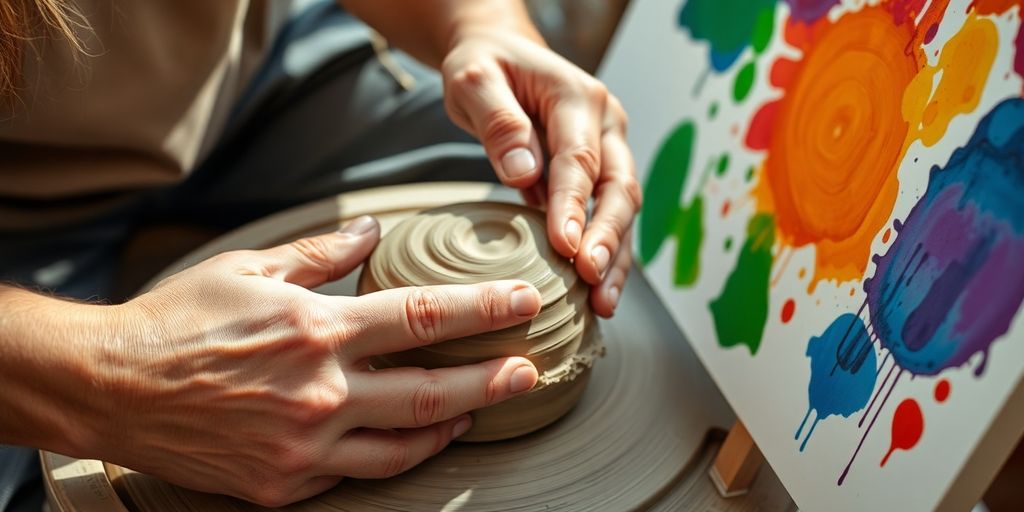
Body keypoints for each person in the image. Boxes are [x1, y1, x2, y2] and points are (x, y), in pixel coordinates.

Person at [0, 0, 640, 508]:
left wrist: (482, 23)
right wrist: (114, 374)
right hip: (18, 207)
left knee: (521, 172)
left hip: (257, 68)